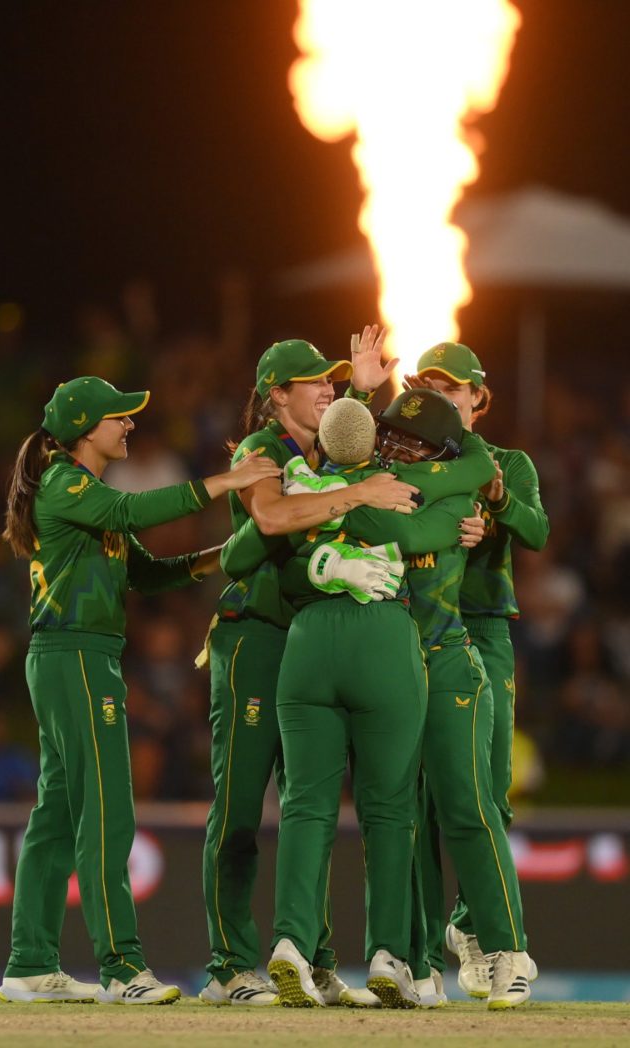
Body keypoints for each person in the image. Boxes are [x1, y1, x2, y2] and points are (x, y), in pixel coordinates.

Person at [0, 375, 280, 1006]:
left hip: (75, 657)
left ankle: (29, 965)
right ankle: (122, 968)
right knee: (106, 811)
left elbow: (149, 574)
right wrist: (223, 483)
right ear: (83, 429)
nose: (129, 424)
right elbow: (129, 513)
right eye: (118, 417)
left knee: (56, 817)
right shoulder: (66, 483)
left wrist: (223, 552)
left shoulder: (86, 494)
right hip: (75, 657)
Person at [199, 330, 415, 1007]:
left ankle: (312, 957)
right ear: (276, 395)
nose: (328, 387)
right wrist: (358, 498)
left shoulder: (313, 447)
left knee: (308, 804)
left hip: (306, 643)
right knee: (239, 807)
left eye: (332, 380)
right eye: (315, 381)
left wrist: (364, 393)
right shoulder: (259, 451)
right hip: (255, 638)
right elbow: (273, 516)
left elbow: (342, 455)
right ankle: (229, 966)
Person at [263, 392, 495, 1008]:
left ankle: (290, 944)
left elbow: (252, 555)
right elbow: (460, 483)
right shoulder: (411, 485)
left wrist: (320, 550)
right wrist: (370, 495)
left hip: (308, 643)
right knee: (390, 810)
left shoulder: (296, 481)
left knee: (305, 807)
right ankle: (391, 955)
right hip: (385, 640)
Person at [407, 342, 549, 998]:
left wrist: (496, 501)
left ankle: (470, 924)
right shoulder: (406, 462)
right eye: (429, 388)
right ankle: (421, 953)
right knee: (424, 801)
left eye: (453, 388)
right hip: (416, 632)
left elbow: (537, 530)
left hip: (483, 631)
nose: (443, 398)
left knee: (489, 792)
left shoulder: (509, 463)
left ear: (478, 399)